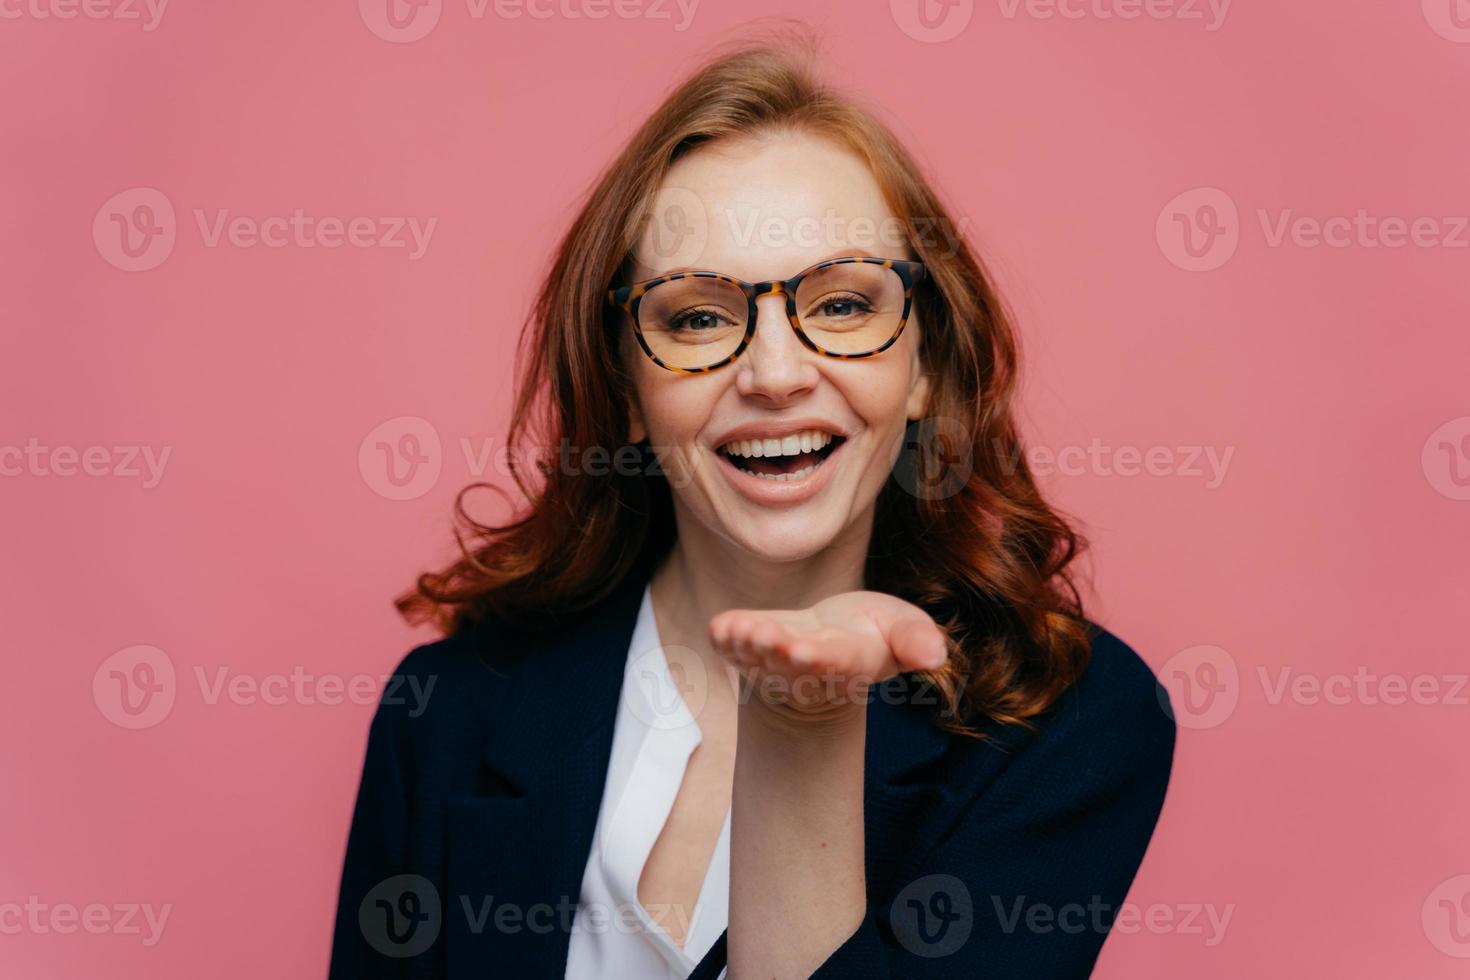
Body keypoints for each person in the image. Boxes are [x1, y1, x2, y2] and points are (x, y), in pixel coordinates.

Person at [329, 33, 1175, 980]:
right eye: (697, 317)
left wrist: (802, 728)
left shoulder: (1070, 728)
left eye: (846, 305)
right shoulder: (443, 715)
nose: (775, 374)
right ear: (626, 392)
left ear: (926, 367)